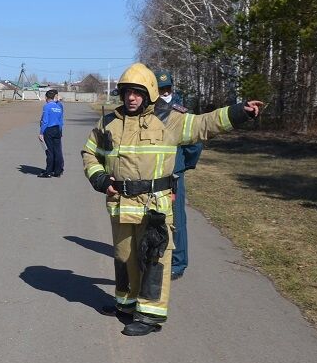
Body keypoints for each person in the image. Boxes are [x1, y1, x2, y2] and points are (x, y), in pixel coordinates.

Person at [81, 63, 263, 336]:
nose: (131, 97)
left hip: (154, 206)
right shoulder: (109, 122)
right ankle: (126, 306)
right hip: (121, 205)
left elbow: (204, 124)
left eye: (137, 92)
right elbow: (89, 153)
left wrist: (239, 112)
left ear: (150, 93)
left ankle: (149, 316)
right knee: (124, 257)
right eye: (127, 92)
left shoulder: (169, 119)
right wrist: (100, 179)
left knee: (154, 260)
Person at [154, 70, 201, 280]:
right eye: (160, 90)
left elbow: (194, 143)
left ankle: (178, 262)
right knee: (154, 217)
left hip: (174, 173)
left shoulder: (181, 112)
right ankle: (156, 253)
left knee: (177, 219)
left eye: (167, 89)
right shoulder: (150, 110)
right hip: (153, 173)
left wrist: (183, 166)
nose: (164, 93)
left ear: (172, 89)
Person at [38, 88, 64, 177]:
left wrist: (41, 132)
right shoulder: (59, 106)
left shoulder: (47, 106)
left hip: (49, 129)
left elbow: (45, 121)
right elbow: (61, 121)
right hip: (57, 129)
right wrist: (60, 131)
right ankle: (57, 171)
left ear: (46, 97)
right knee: (57, 151)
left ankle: (48, 172)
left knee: (49, 151)